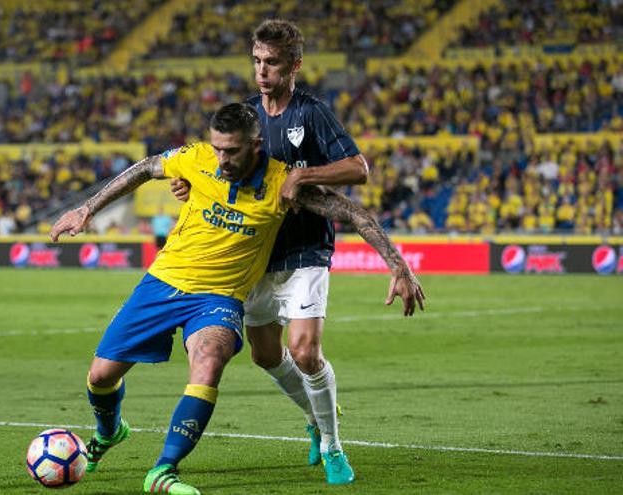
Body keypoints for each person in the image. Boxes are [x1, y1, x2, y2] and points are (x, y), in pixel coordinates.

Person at [51, 103, 424, 495]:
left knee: (210, 361)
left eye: (231, 151)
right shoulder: (196, 159)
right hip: (162, 282)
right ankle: (109, 433)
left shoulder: (281, 182)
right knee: (100, 377)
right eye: (217, 149)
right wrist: (87, 207)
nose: (222, 159)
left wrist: (398, 264)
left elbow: (351, 212)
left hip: (220, 297)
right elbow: (146, 167)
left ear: (256, 145)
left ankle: (164, 470)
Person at [169, 19, 393, 484]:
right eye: (256, 61)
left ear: (295, 66)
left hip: (307, 249)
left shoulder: (312, 114)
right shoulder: (246, 115)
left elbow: (359, 168)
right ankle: (313, 418)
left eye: (272, 63)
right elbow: (219, 163)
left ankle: (333, 445)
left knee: (305, 351)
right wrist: (189, 182)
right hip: (255, 254)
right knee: (266, 356)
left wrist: (302, 175)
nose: (262, 71)